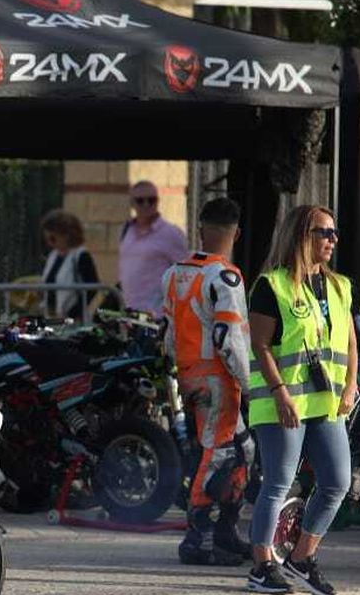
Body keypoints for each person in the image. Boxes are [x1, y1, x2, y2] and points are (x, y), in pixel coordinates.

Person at [245, 205, 358, 595]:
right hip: (283, 402)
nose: (332, 240)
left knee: (337, 482)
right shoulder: (272, 285)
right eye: (323, 232)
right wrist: (279, 393)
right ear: (300, 236)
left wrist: (350, 386)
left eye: (334, 232)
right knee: (278, 482)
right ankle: (262, 565)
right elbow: (259, 344)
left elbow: (349, 340)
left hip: (325, 402)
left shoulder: (340, 286)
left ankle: (302, 558)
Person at [162, 198, 253, 567]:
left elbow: (168, 334)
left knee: (241, 450)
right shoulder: (226, 277)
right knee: (219, 454)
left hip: (189, 375)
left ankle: (225, 532)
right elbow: (228, 339)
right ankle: (199, 536)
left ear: (200, 227)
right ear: (237, 233)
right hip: (219, 378)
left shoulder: (174, 273)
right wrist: (250, 387)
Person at [117, 181, 188, 315]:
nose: (146, 205)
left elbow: (185, 274)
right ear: (132, 203)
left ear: (157, 201)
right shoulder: (126, 230)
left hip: (157, 316)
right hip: (129, 314)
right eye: (140, 201)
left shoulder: (170, 233)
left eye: (151, 200)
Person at [36, 209, 102, 321]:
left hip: (72, 319)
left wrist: (74, 313)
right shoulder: (53, 256)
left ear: (66, 235)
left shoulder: (81, 255)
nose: (50, 243)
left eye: (53, 239)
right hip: (52, 317)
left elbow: (92, 288)